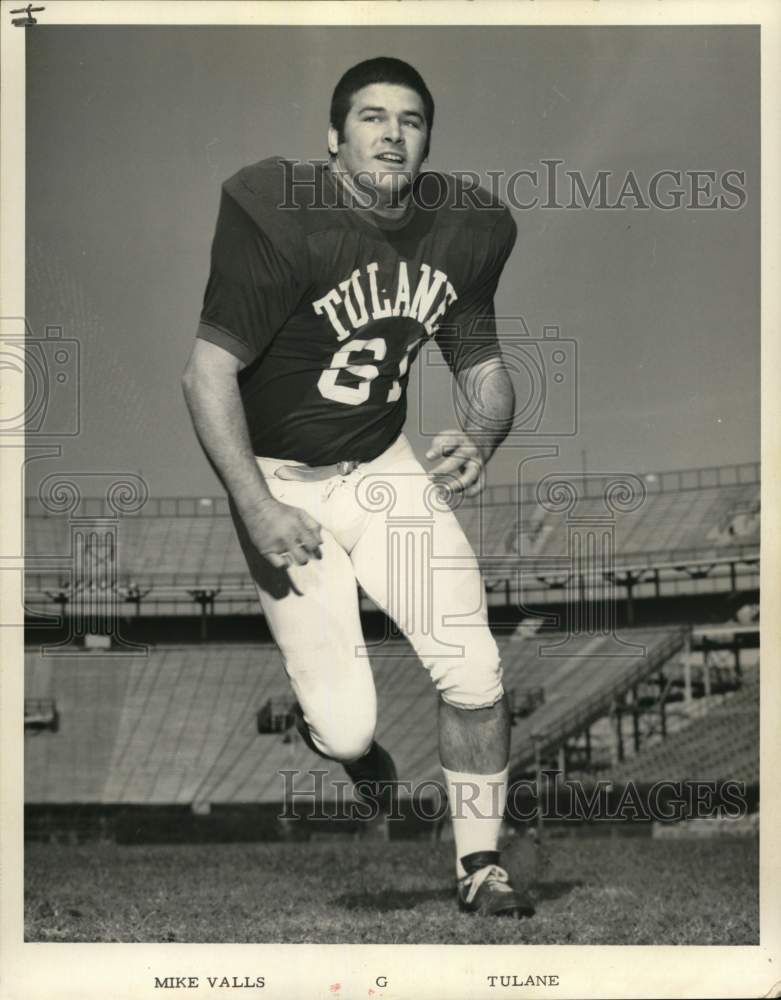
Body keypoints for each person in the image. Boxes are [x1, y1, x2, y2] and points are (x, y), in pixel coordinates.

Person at [182, 56, 533, 919]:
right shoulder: (277, 213)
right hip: (281, 481)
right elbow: (204, 375)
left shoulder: (466, 227)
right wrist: (258, 505)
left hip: (383, 470)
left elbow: (483, 365)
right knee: (346, 727)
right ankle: (345, 750)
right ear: (334, 140)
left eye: (410, 120)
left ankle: (480, 865)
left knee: (474, 670)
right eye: (371, 118)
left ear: (426, 142)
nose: (391, 134)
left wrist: (484, 431)